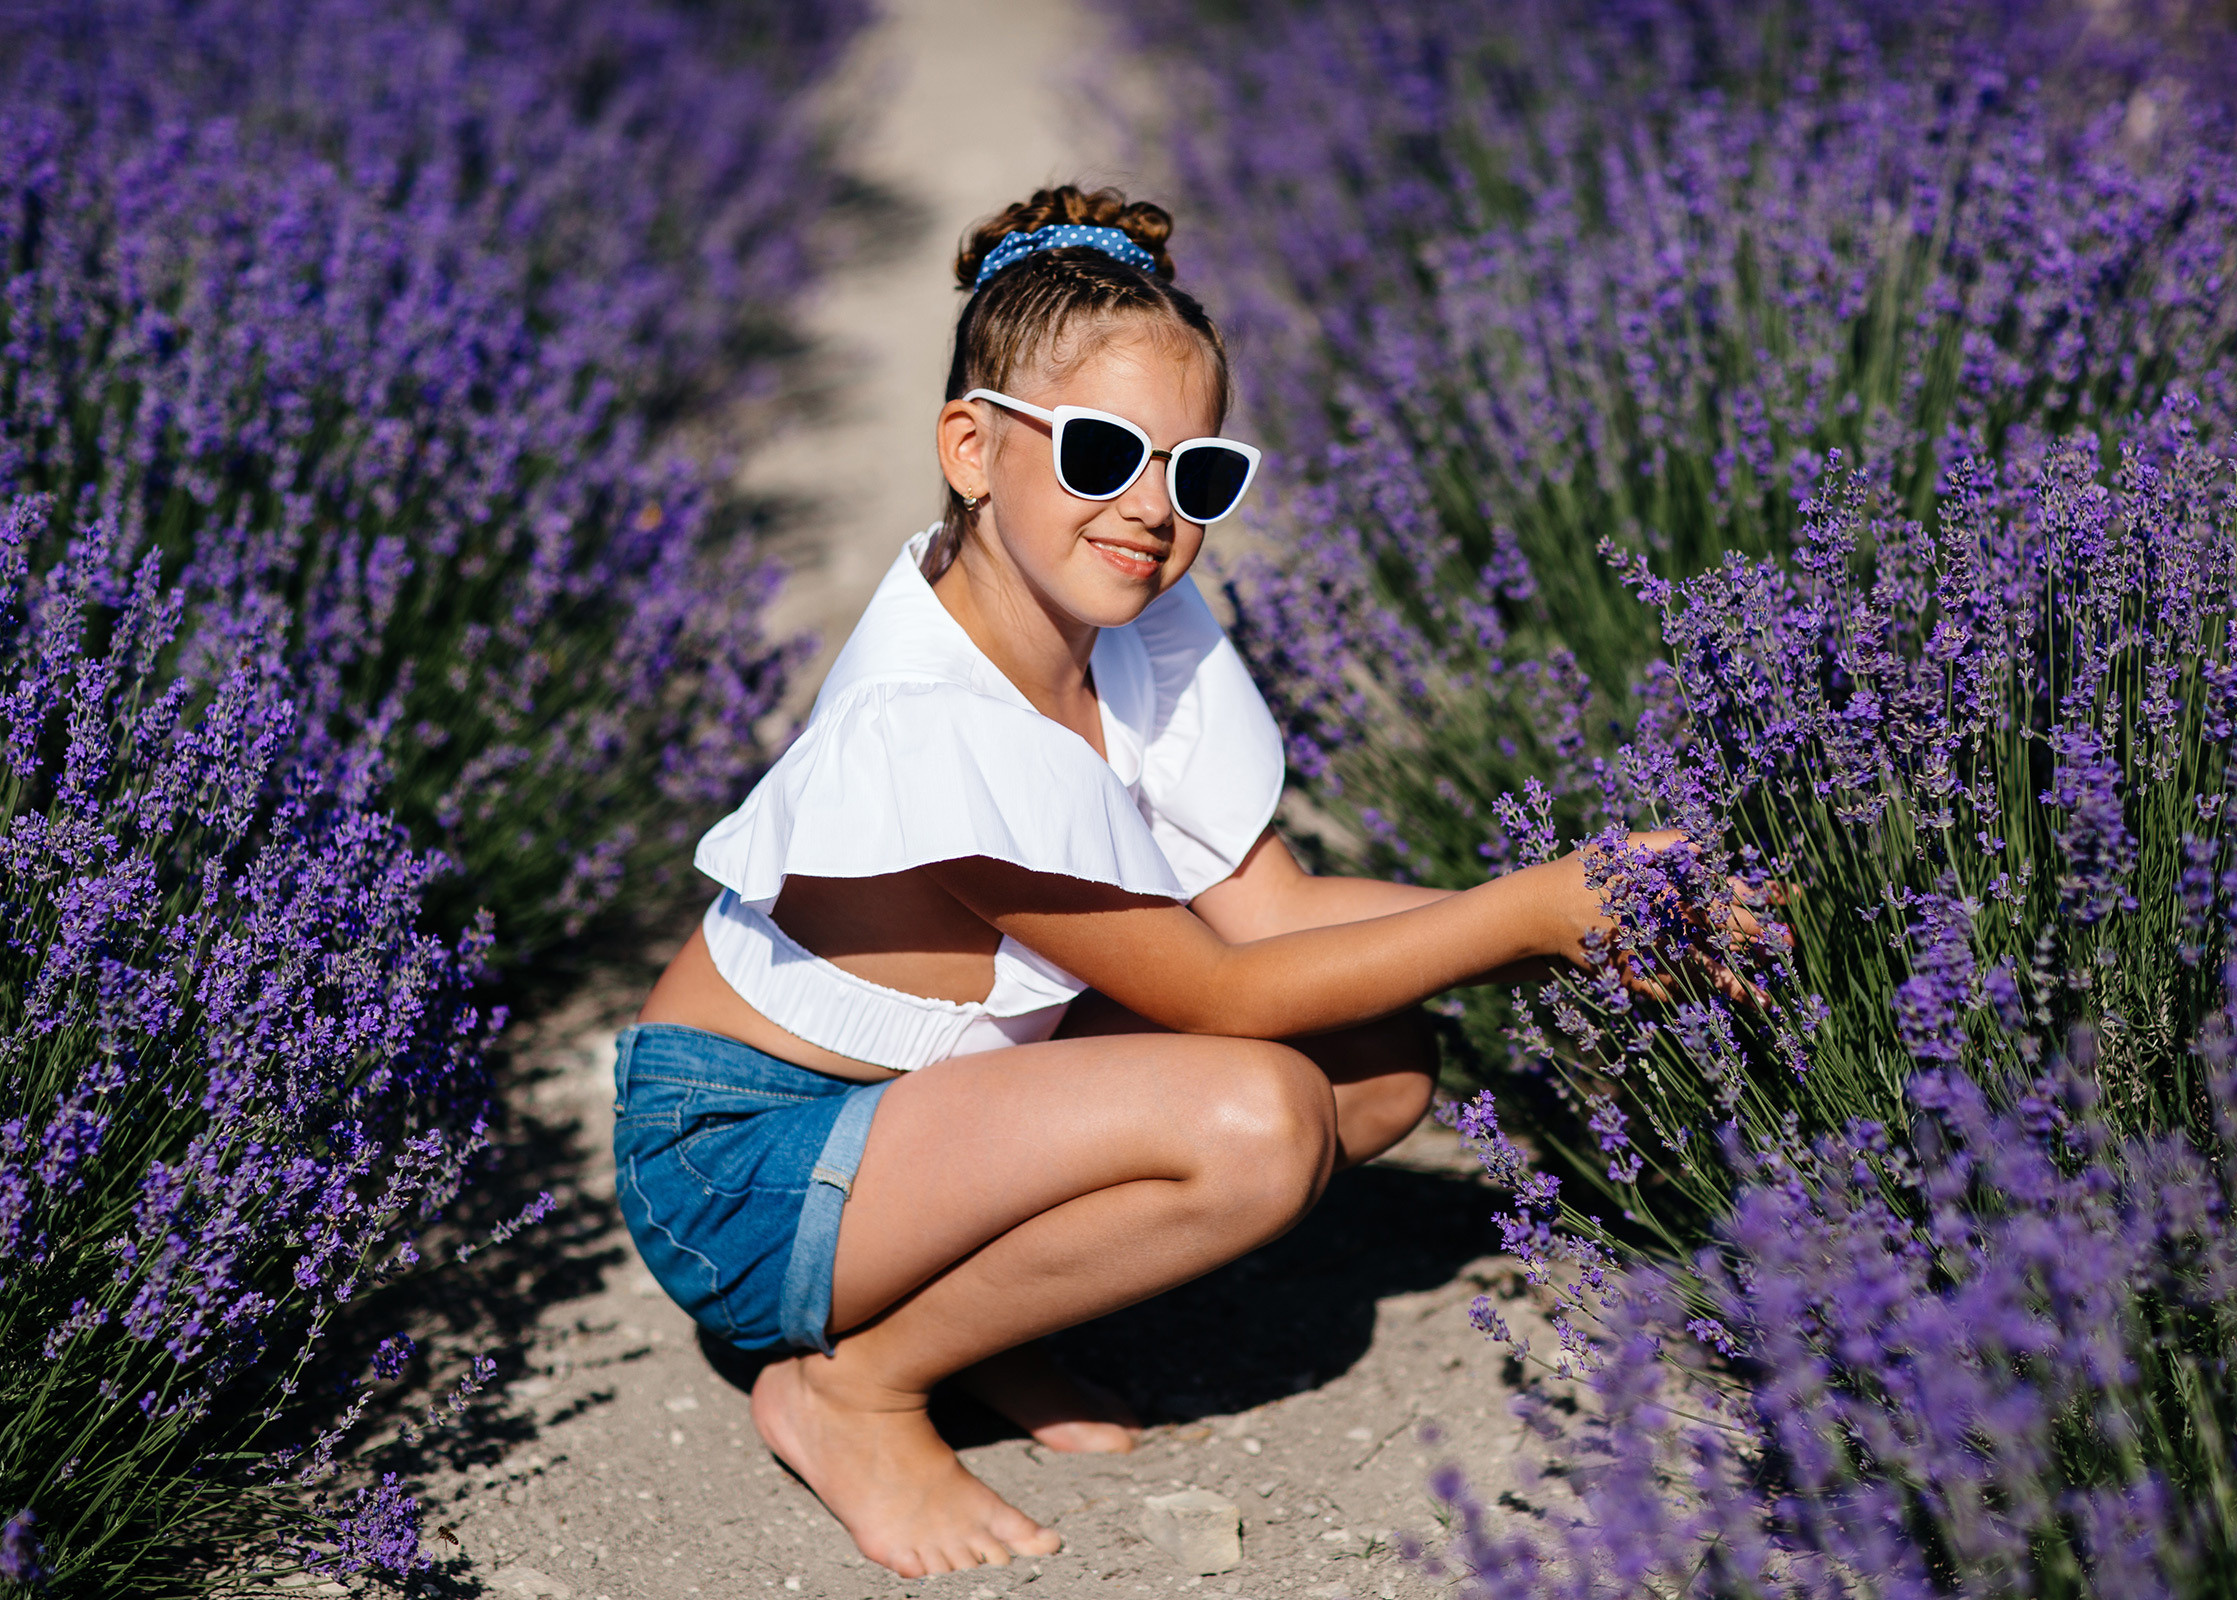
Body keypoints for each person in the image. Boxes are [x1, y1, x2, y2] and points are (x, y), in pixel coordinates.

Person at [615, 185, 1662, 1579]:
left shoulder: (1131, 631)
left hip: (905, 1114)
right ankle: (851, 1387)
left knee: (1374, 1059)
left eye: (1199, 474)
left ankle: (980, 1313)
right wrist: (1531, 912)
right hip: (745, 1164)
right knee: (1258, 1119)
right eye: (1104, 453)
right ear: (972, 448)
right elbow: (1225, 986)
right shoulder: (940, 727)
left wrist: (1577, 912)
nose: (1152, 510)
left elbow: (1278, 917)